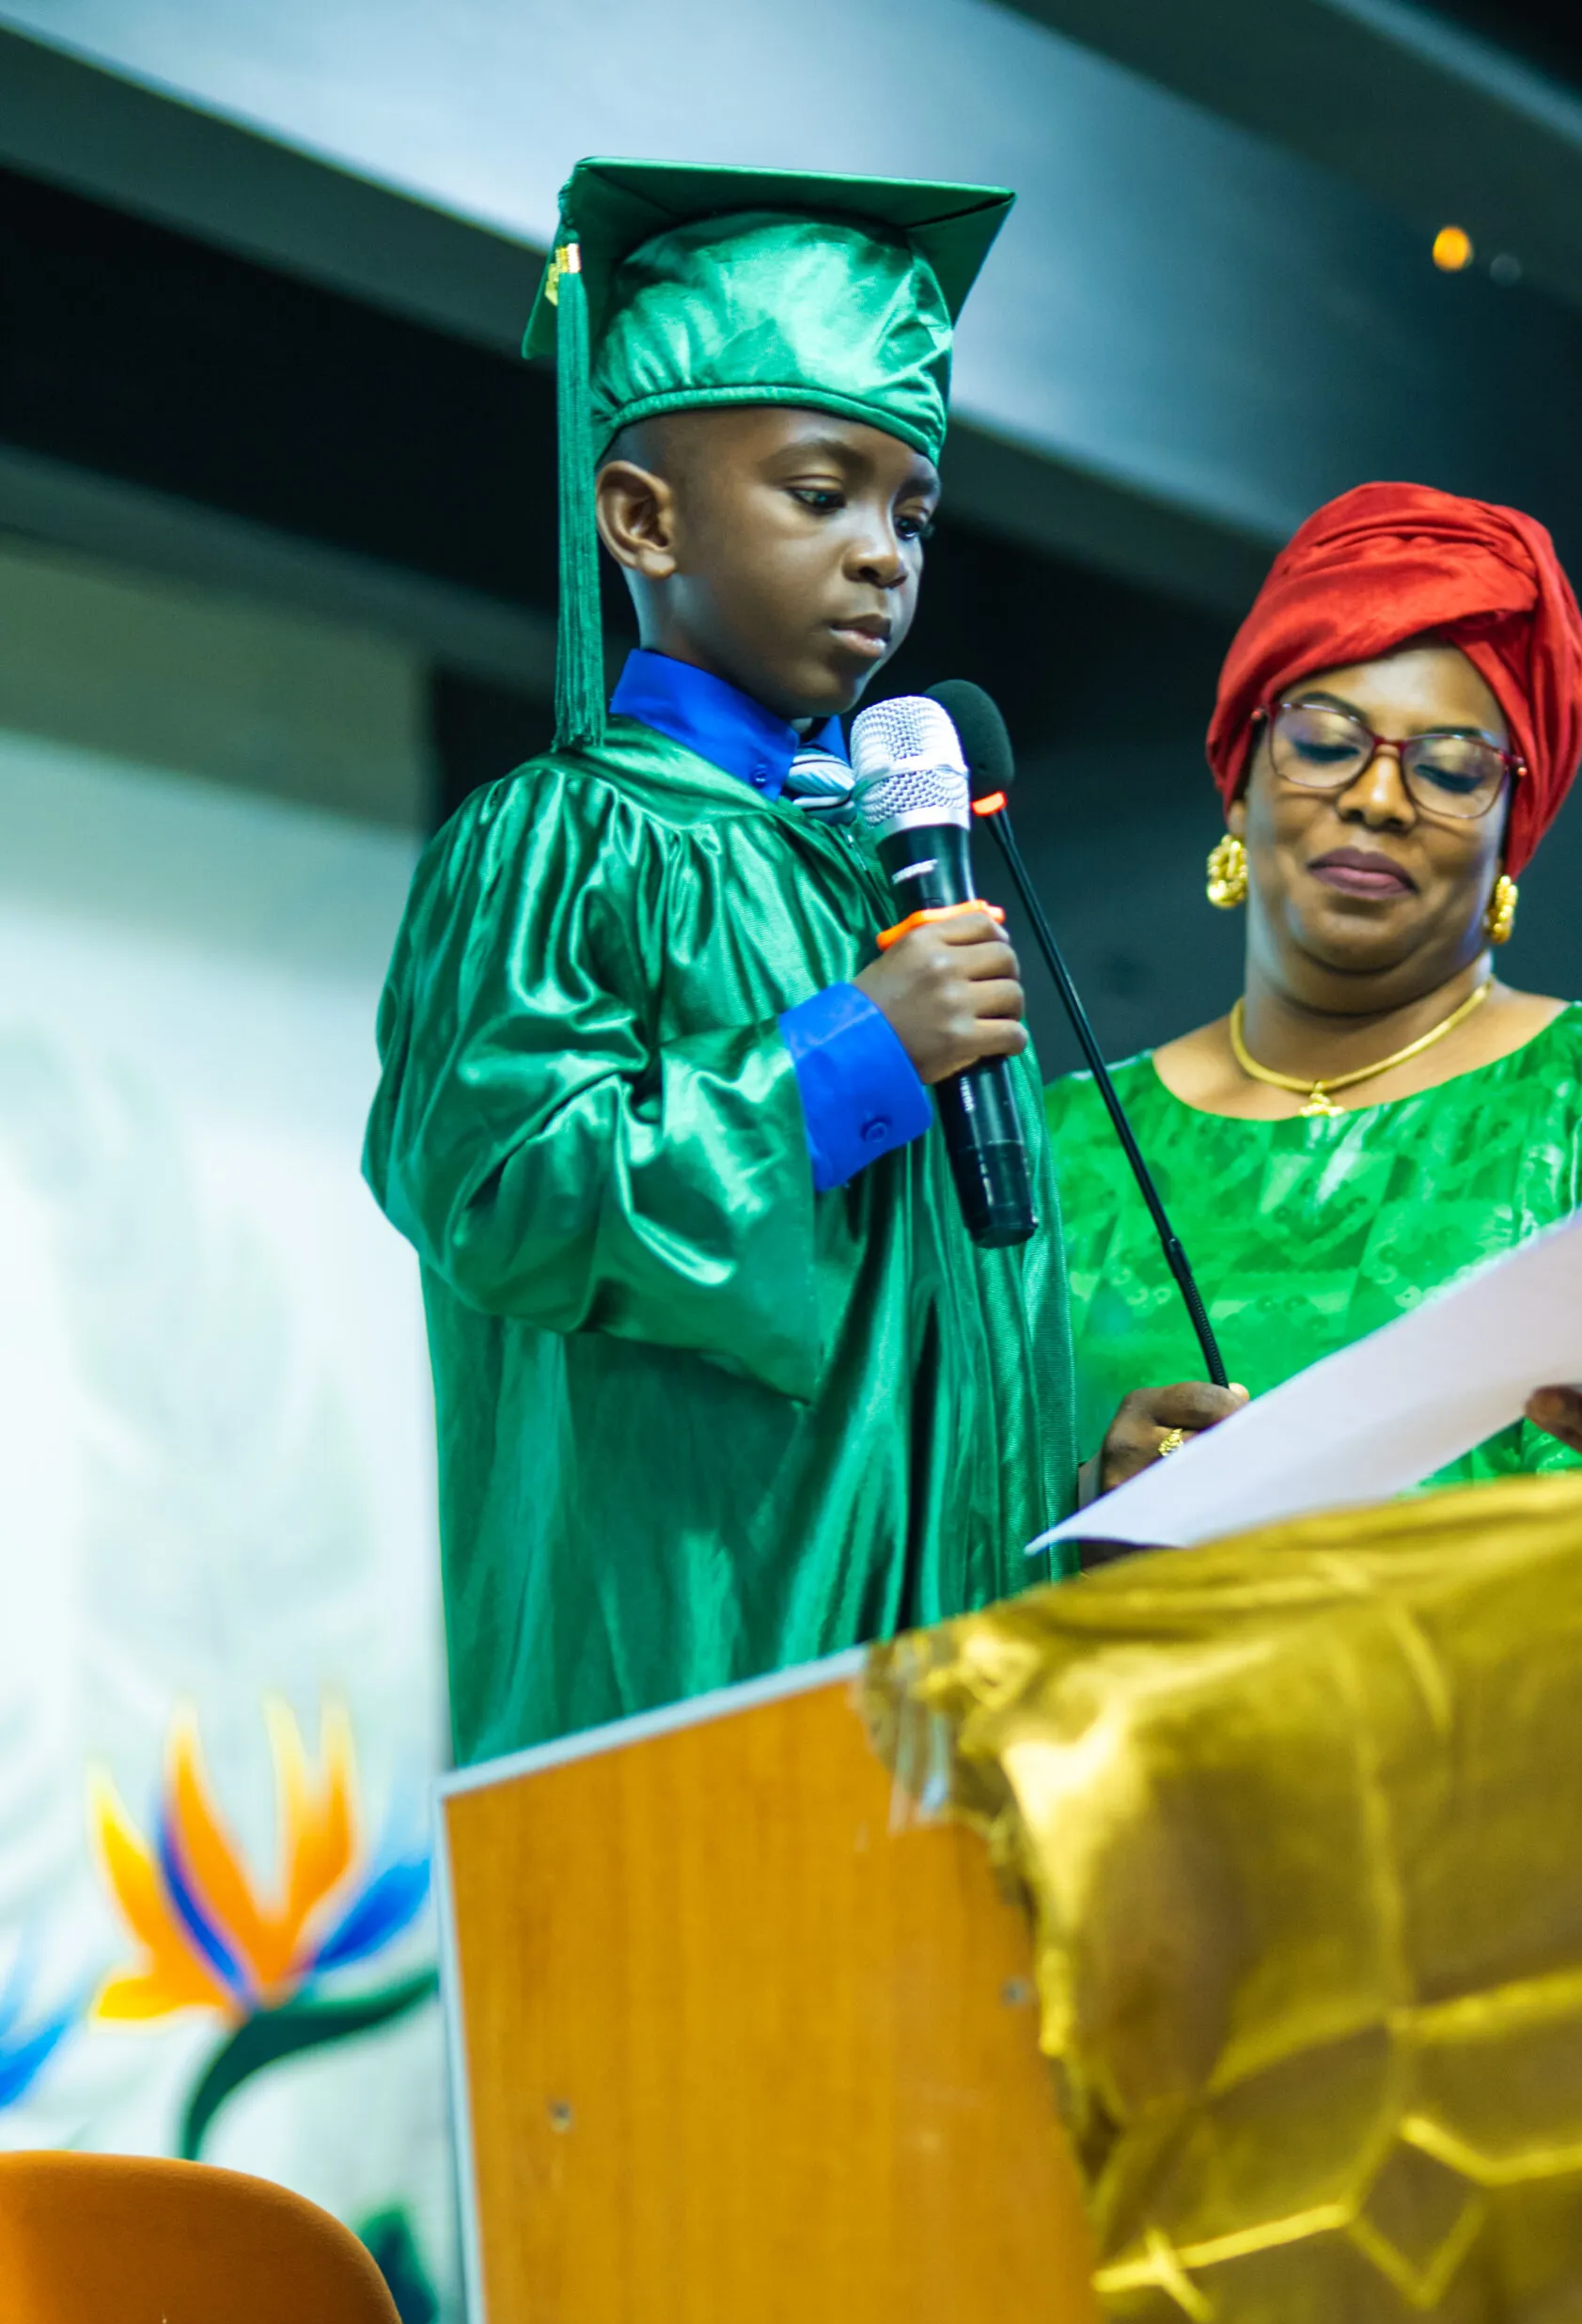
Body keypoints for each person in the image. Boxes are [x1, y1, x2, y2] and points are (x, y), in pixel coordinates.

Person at [365, 160, 1225, 1763]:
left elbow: (901, 1352)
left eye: (910, 509)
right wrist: (850, 1055)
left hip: (946, 1721)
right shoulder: (559, 841)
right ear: (640, 515)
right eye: (820, 493)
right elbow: (504, 1192)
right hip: (687, 1693)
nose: (883, 553)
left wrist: (1072, 1476)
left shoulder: (892, 880)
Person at [1051, 482, 1582, 1495]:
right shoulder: (1045, 1154)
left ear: (1513, 827)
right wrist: (1079, 1513)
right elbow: (886, 1548)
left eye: (1452, 769)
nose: (1375, 798)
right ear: (1238, 781)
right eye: (1325, 744)